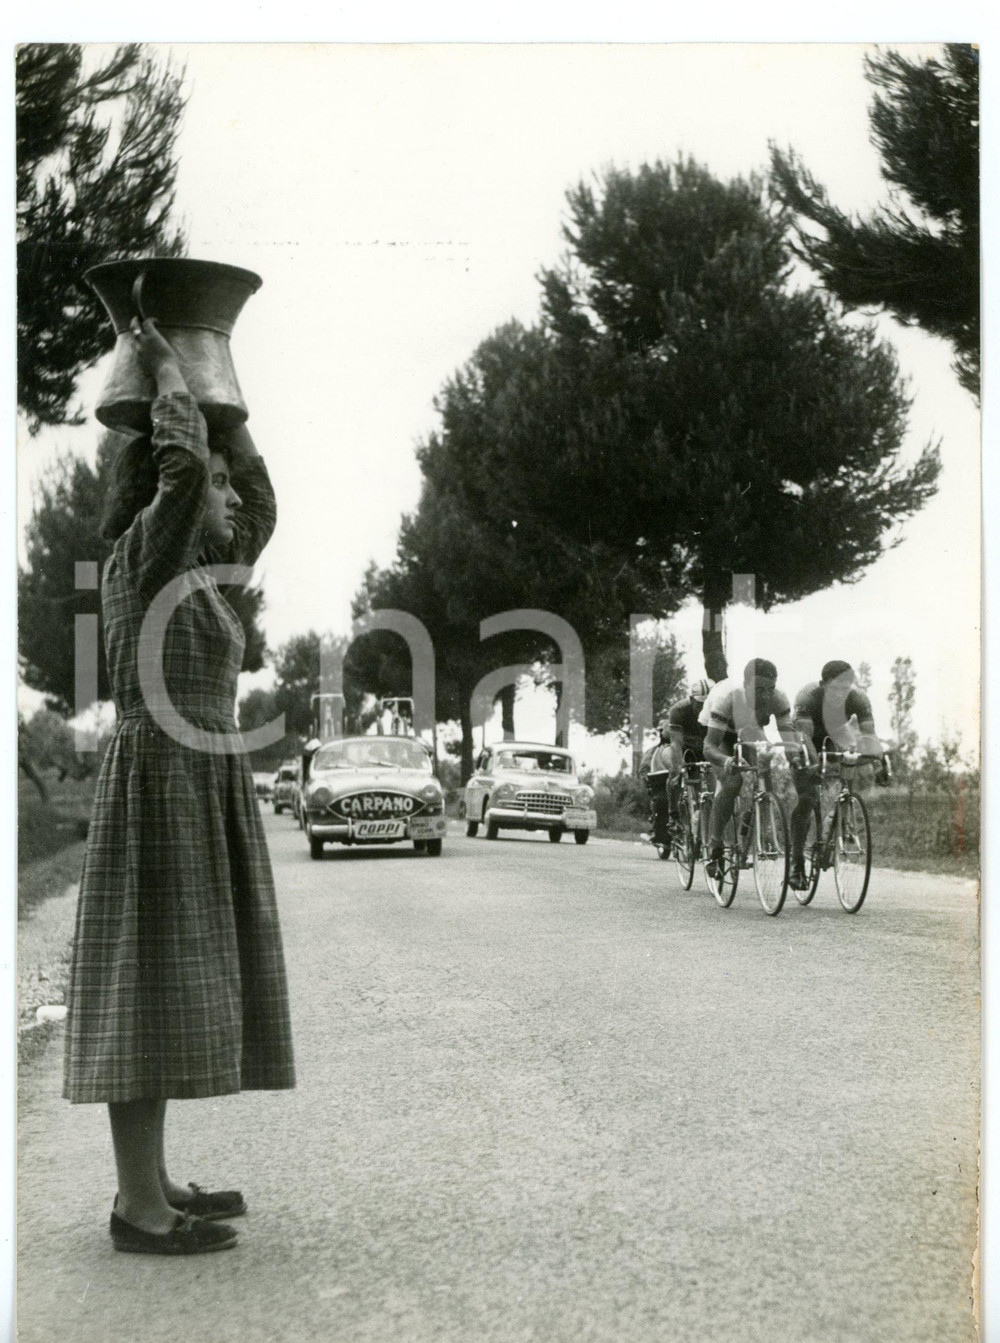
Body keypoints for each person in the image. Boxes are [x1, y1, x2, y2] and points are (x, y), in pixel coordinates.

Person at [63, 317, 295, 1255]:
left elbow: (258, 507)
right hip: (160, 781)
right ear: (165, 495)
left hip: (192, 780)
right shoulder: (146, 556)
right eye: (213, 490)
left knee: (165, 984)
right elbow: (189, 473)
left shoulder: (199, 568)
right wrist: (167, 370)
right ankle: (136, 1209)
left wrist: (228, 409)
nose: (226, 501)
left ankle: (150, 1180)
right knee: (144, 985)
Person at [788, 659, 886, 889]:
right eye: (835, 689)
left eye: (846, 688)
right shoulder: (808, 696)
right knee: (807, 797)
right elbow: (804, 738)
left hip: (834, 733)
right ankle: (796, 863)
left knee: (850, 758)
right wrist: (813, 766)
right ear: (823, 685)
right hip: (804, 737)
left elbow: (870, 736)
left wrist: (879, 763)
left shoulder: (858, 698)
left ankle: (838, 817)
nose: (842, 694)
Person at [699, 659, 799, 879]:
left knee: (763, 765)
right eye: (759, 690)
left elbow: (789, 740)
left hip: (749, 727)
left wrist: (797, 759)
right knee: (732, 782)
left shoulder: (779, 698)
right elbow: (709, 747)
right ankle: (715, 844)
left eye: (770, 689)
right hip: (721, 732)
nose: (765, 696)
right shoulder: (727, 696)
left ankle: (758, 825)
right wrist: (726, 761)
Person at [665, 679, 714, 824]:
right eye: (700, 704)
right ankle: (673, 811)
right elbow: (676, 743)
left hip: (704, 749)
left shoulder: (718, 709)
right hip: (684, 749)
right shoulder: (678, 710)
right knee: (674, 772)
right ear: (691, 699)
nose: (704, 708)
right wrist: (678, 768)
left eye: (708, 704)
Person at [638, 722, 673, 847]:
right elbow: (644, 769)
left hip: (680, 782)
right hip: (660, 784)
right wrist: (648, 779)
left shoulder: (682, 749)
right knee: (661, 801)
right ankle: (660, 834)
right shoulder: (653, 751)